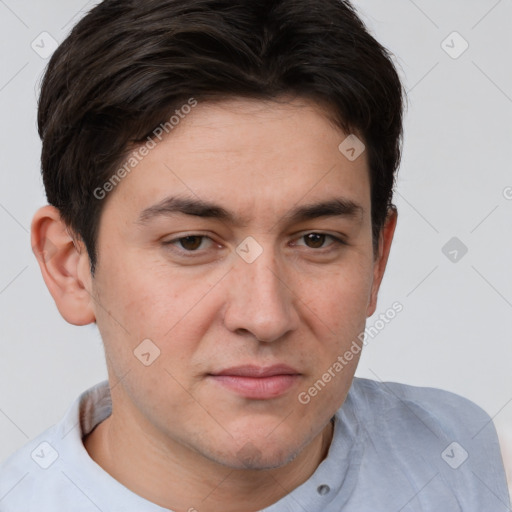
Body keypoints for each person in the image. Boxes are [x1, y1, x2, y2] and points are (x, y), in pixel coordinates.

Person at [0, 0, 509, 510]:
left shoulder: (457, 451)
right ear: (69, 267)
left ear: (377, 259)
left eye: (316, 240)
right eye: (192, 242)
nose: (265, 317)